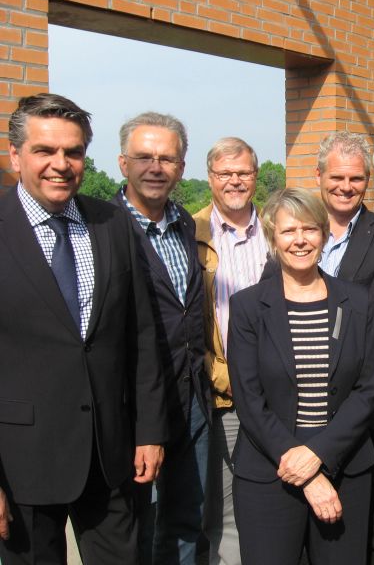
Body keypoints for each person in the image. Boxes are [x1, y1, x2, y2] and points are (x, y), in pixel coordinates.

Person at [0, 93, 168, 564]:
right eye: (45, 150)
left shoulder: (112, 223)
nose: (61, 164)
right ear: (15, 155)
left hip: (110, 456)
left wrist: (149, 431)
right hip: (22, 463)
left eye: (73, 152)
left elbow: (142, 335)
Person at [227, 187, 374, 564]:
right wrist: (308, 472)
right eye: (288, 231)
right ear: (273, 238)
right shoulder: (248, 307)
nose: (300, 240)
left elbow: (367, 389)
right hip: (268, 471)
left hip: (345, 467)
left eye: (310, 229)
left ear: (324, 234)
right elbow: (249, 399)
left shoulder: (356, 301)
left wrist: (318, 454)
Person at [114, 112, 210, 564]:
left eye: (167, 159)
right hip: (133, 406)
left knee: (187, 517)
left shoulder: (185, 224)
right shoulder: (103, 228)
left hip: (191, 397)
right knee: (136, 525)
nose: (156, 167)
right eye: (144, 157)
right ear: (123, 163)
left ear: (181, 167)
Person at [314, 131, 374, 564]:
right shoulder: (298, 228)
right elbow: (269, 303)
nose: (345, 187)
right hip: (301, 404)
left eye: (355, 179)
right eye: (336, 177)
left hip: (365, 404)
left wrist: (305, 321)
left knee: (370, 525)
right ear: (319, 175)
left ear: (367, 181)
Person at [195, 137, 269, 565]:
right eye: (225, 173)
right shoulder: (191, 234)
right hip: (224, 396)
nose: (235, 181)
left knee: (274, 498)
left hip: (279, 396)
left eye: (243, 172)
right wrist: (224, 377)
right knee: (222, 509)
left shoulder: (279, 230)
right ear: (210, 178)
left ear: (256, 176)